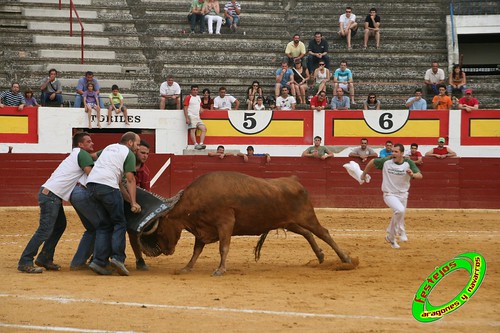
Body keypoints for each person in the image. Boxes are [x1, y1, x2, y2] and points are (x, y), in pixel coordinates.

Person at [17, 132, 95, 273]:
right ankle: (25, 261)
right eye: (88, 141)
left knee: (59, 226)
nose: (92, 143)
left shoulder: (78, 154)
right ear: (80, 144)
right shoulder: (82, 154)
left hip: (52, 195)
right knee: (44, 230)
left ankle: (45, 258)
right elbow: (92, 174)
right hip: (51, 195)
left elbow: (94, 158)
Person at [86, 132, 142, 276]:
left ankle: (98, 261)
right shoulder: (128, 154)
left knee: (104, 225)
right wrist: (134, 202)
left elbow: (92, 156)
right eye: (137, 143)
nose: (138, 147)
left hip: (92, 185)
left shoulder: (109, 148)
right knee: (119, 223)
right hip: (108, 187)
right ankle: (118, 258)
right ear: (130, 143)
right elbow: (130, 179)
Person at [360, 143, 423, 249]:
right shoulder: (386, 162)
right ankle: (391, 234)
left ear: (402, 153)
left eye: (396, 152)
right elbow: (372, 161)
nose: (393, 153)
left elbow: (420, 175)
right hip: (389, 194)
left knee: (399, 215)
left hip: (403, 194)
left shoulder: (408, 163)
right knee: (400, 211)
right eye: (392, 151)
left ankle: (392, 239)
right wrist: (363, 174)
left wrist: (413, 175)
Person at [184, 85, 207, 150]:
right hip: (191, 115)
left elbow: (200, 107)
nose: (195, 91)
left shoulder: (198, 97)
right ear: (191, 90)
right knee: (193, 129)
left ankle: (201, 143)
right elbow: (185, 108)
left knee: (204, 129)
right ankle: (195, 144)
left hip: (197, 116)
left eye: (196, 90)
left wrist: (201, 109)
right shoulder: (188, 97)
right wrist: (187, 117)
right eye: (194, 90)